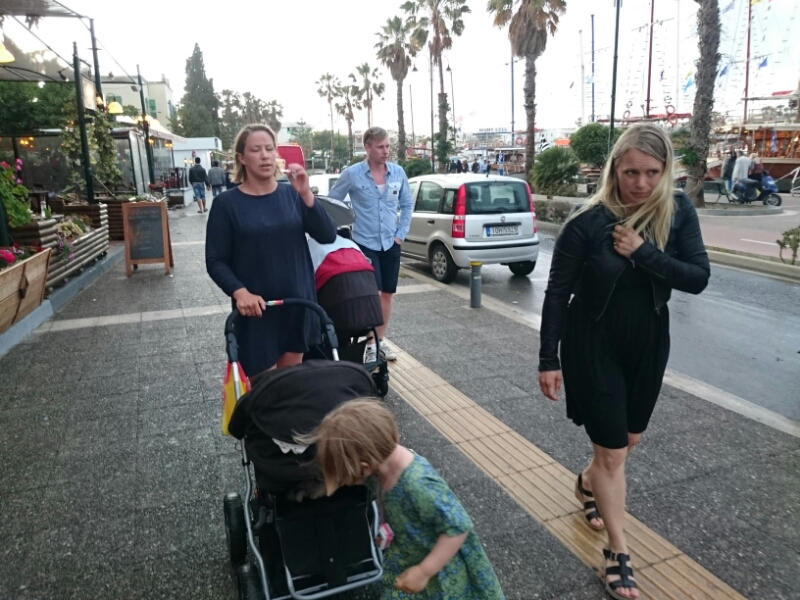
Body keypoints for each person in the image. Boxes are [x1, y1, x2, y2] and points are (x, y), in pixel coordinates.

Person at [538, 123, 710, 600]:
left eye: (652, 172)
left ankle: (588, 482)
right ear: (614, 169)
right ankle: (618, 552)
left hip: (648, 343)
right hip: (593, 343)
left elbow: (698, 277)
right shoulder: (587, 222)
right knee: (613, 452)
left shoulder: (677, 212)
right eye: (631, 172)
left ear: (666, 170)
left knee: (626, 442)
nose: (641, 183)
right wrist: (548, 357)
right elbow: (556, 292)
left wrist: (644, 253)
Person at [298, 399, 506, 600]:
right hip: (409, 553)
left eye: (347, 476)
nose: (347, 481)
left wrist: (424, 571)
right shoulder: (380, 465)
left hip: (439, 571)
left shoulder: (418, 484)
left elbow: (459, 527)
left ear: (364, 466)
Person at [205, 124, 336, 375]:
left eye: (269, 149)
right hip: (256, 311)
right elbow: (215, 259)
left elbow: (327, 234)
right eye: (256, 150)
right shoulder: (226, 204)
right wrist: (239, 292)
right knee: (264, 389)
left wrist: (306, 194)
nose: (265, 155)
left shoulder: (292, 194)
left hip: (296, 304)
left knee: (289, 385)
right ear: (242, 158)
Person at [327, 127, 413, 364]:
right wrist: (341, 229)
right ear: (367, 147)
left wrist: (400, 235)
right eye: (380, 146)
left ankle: (379, 341)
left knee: (387, 294)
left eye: (388, 146)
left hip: (391, 242)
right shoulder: (352, 174)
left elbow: (407, 204)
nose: (386, 151)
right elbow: (332, 202)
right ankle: (371, 343)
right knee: (371, 294)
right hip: (365, 243)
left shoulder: (397, 172)